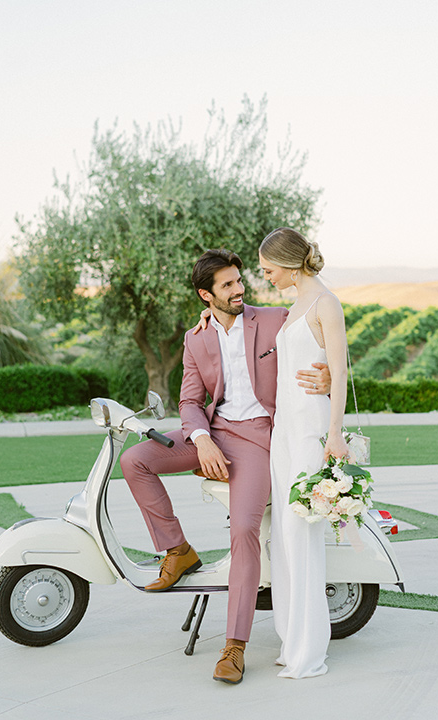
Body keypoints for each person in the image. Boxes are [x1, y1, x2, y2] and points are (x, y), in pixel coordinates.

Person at [120, 248, 331, 685]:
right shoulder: (195, 337)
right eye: (228, 285)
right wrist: (200, 439)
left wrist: (327, 375)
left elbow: (327, 340)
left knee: (243, 531)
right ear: (206, 295)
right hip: (212, 431)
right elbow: (189, 401)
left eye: (240, 281)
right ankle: (178, 552)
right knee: (135, 459)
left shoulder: (275, 318)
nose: (240, 290)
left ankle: (234, 647)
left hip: (257, 439)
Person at [258, 227, 350, 679]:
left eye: (268, 269)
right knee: (284, 534)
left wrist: (334, 433)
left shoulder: (325, 304)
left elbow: (340, 369)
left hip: (312, 429)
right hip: (284, 432)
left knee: (301, 533)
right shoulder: (295, 303)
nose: (266, 277)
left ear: (289, 263)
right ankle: (291, 637)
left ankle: (309, 649)